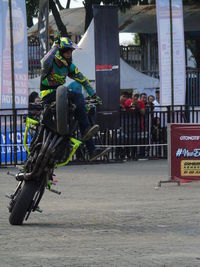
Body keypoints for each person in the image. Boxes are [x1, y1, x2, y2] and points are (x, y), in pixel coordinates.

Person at [40, 37, 110, 161]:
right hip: (48, 95)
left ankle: (91, 150)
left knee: (84, 110)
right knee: (78, 96)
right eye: (67, 51)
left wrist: (93, 95)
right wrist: (55, 46)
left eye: (71, 51)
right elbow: (43, 61)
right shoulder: (49, 63)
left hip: (62, 97)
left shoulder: (69, 66)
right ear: (60, 52)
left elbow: (84, 80)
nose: (70, 54)